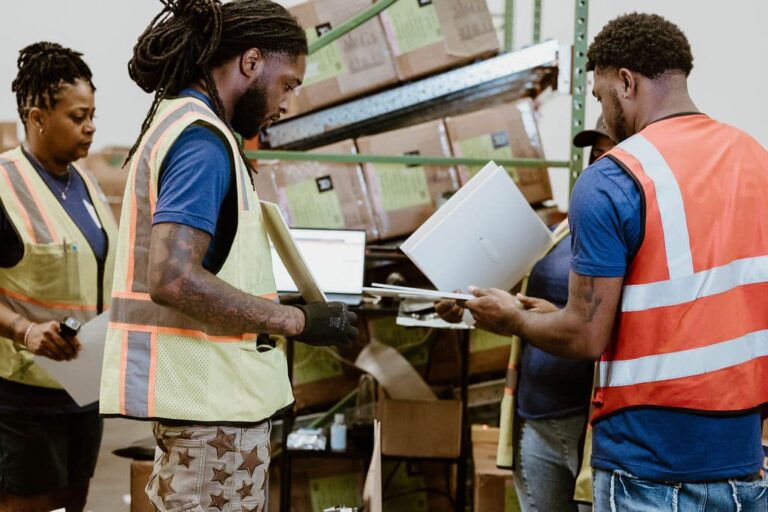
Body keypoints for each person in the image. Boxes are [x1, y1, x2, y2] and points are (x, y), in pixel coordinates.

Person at [442, 13, 768, 510]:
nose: (602, 111)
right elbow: (684, 309)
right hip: (741, 459)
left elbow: (585, 335)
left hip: (646, 464)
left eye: (597, 96)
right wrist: (543, 313)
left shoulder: (613, 178)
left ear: (625, 82)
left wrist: (511, 319)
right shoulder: (755, 160)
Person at [98, 1, 358, 510]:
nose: (287, 103)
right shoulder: (202, 144)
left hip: (210, 406)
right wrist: (297, 321)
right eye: (288, 84)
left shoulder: (196, 130)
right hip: (208, 410)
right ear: (252, 62)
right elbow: (172, 279)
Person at [438, 119, 615, 512]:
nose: (600, 162)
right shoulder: (561, 232)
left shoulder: (638, 236)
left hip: (592, 429)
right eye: (595, 154)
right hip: (534, 419)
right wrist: (475, 309)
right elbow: (528, 317)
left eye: (611, 151)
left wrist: (566, 317)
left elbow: (623, 327)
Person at [0, 42, 117, 511]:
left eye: (92, 115)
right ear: (37, 116)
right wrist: (25, 330)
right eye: (77, 116)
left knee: (73, 503)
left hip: (84, 393)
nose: (90, 127)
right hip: (24, 400)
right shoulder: (4, 186)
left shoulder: (84, 182)